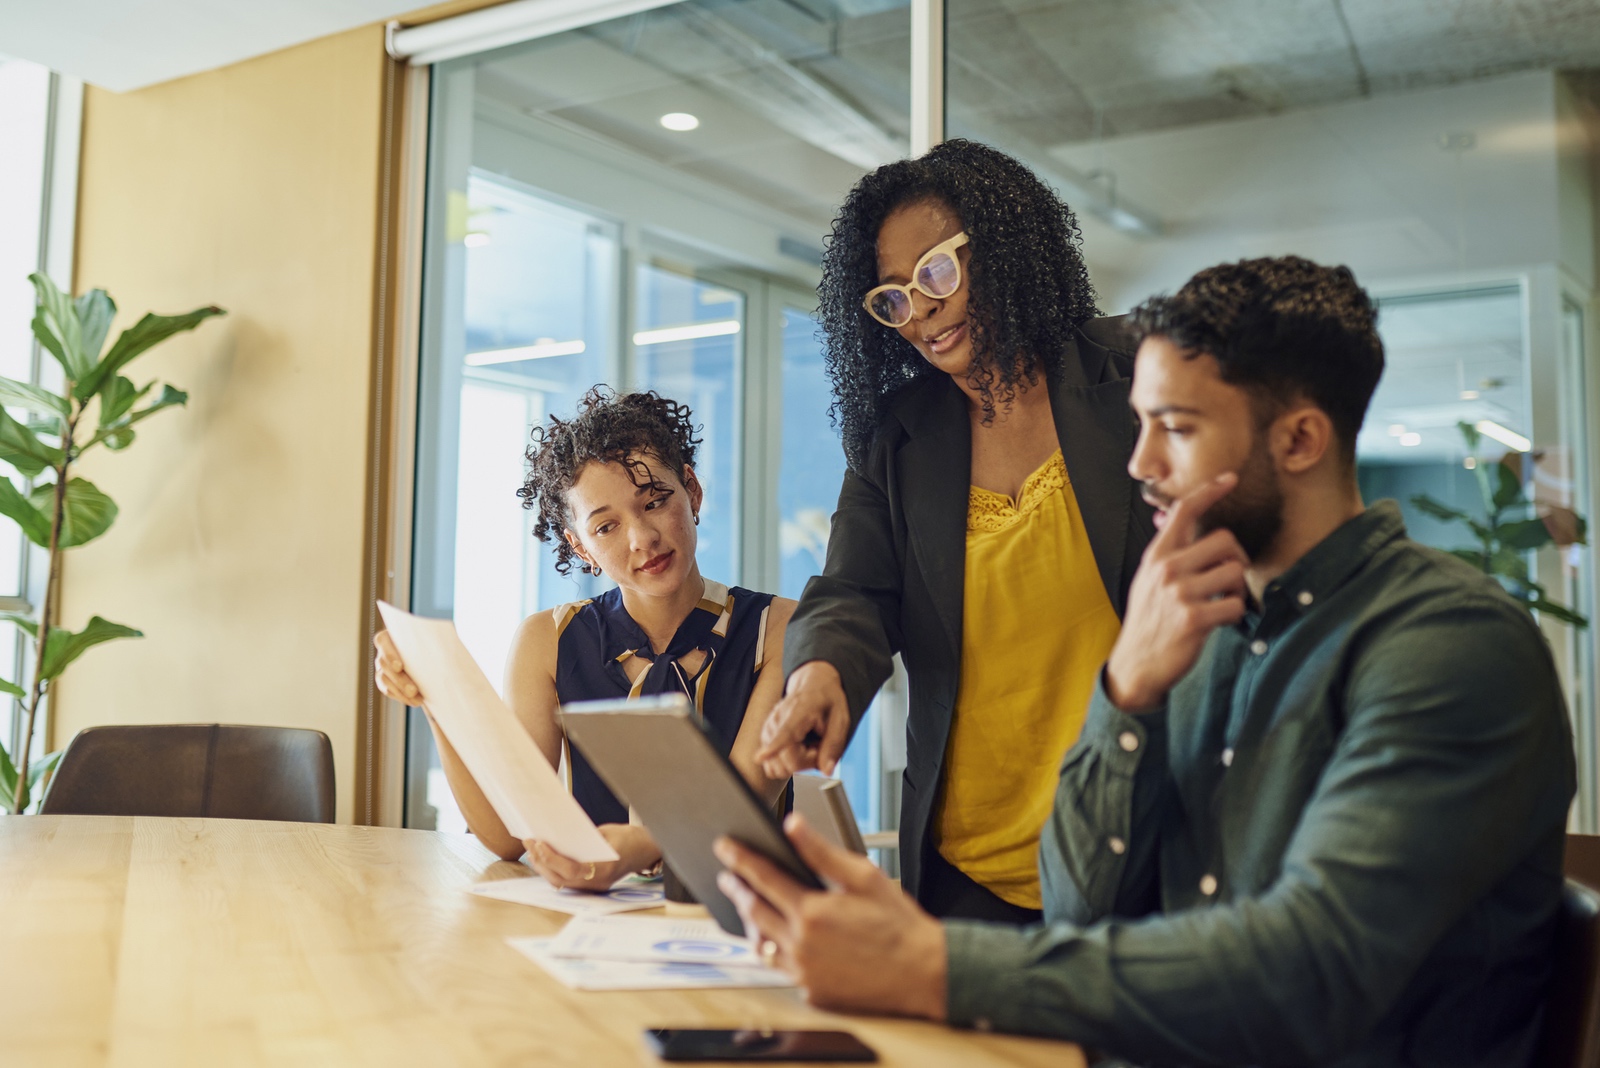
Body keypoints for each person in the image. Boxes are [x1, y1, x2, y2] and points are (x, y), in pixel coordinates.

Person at [717, 256, 1576, 1067]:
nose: (1141, 465)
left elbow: (1311, 969)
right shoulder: (1205, 634)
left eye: (1176, 429)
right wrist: (1125, 692)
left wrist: (930, 963)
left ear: (1302, 439)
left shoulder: (1450, 648)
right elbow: (1080, 903)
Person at [757, 140, 1155, 922]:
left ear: (1004, 250)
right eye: (893, 299)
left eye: (937, 271)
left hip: (1142, 856)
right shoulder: (898, 440)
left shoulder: (1140, 375)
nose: (922, 311)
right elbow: (852, 593)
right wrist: (819, 675)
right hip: (969, 875)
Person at [376, 388, 793, 889]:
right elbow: (511, 835)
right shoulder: (546, 641)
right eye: (606, 526)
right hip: (595, 920)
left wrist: (637, 848)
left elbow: (743, 801)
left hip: (751, 916)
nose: (641, 538)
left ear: (692, 491)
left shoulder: (780, 627)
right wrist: (433, 695)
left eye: (655, 502)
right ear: (580, 546)